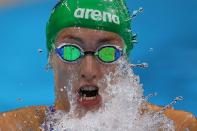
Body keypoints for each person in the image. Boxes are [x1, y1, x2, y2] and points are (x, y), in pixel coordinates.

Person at [0, 0, 197, 130]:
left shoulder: (177, 127)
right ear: (51, 57)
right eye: (71, 51)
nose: (88, 70)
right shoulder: (12, 127)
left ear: (125, 61)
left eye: (107, 53)